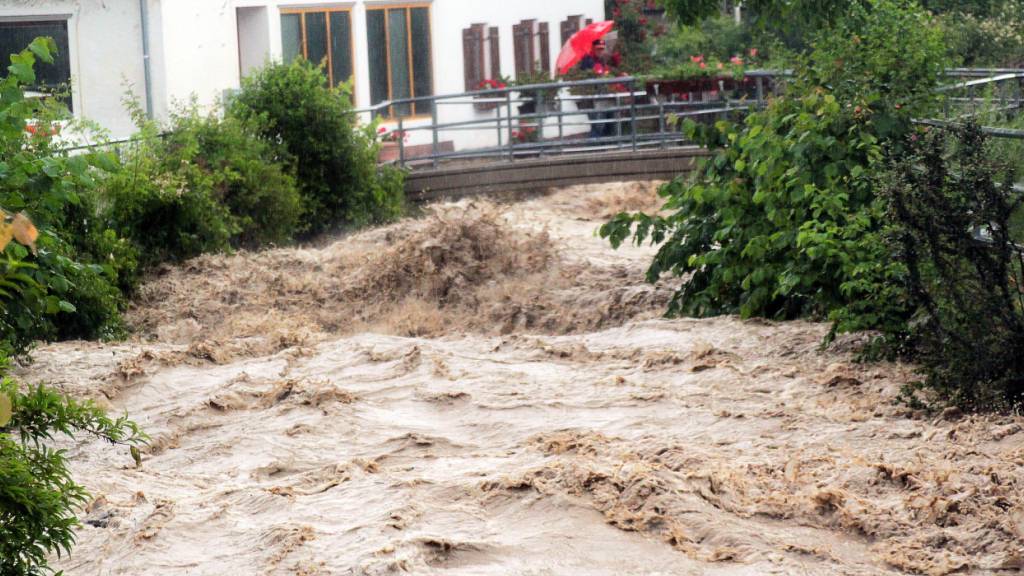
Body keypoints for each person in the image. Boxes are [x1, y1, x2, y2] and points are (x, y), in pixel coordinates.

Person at [576, 39, 614, 139]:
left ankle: (599, 145)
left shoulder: (601, 60)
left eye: (602, 49)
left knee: (602, 122)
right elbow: (586, 75)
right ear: (593, 48)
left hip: (600, 95)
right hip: (591, 97)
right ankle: (593, 145)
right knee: (598, 123)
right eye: (598, 49)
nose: (600, 51)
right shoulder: (587, 60)